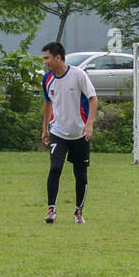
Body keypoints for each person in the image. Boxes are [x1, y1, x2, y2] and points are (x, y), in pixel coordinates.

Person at [40, 41, 97, 224]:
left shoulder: (78, 75)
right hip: (58, 132)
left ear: (58, 57)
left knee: (80, 174)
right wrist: (45, 128)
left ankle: (79, 212)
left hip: (79, 133)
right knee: (55, 168)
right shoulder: (47, 79)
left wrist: (89, 124)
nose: (45, 62)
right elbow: (48, 102)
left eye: (47, 58)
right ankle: (51, 210)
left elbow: (93, 99)